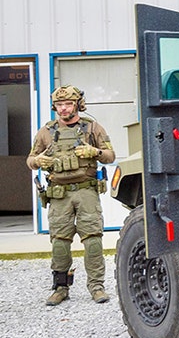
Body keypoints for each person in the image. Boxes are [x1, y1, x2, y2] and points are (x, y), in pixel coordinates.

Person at [27, 85, 116, 305]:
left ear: (77, 104)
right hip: (59, 195)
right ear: (54, 106)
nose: (64, 109)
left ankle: (96, 287)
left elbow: (110, 155)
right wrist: (38, 161)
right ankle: (60, 287)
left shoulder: (92, 127)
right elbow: (30, 160)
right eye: (59, 105)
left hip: (86, 191)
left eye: (68, 104)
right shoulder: (46, 131)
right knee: (59, 243)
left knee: (93, 240)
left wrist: (94, 152)